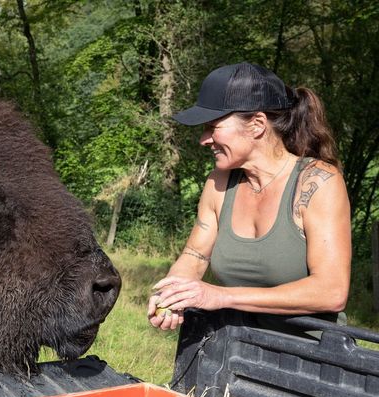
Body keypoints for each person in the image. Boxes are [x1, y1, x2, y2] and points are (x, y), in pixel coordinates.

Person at [147, 62, 351, 333]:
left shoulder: (317, 182)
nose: (204, 140)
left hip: (311, 360)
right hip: (233, 349)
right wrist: (171, 295)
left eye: (212, 127)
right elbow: (194, 257)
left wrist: (221, 296)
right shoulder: (219, 182)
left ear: (256, 124)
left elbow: (331, 291)